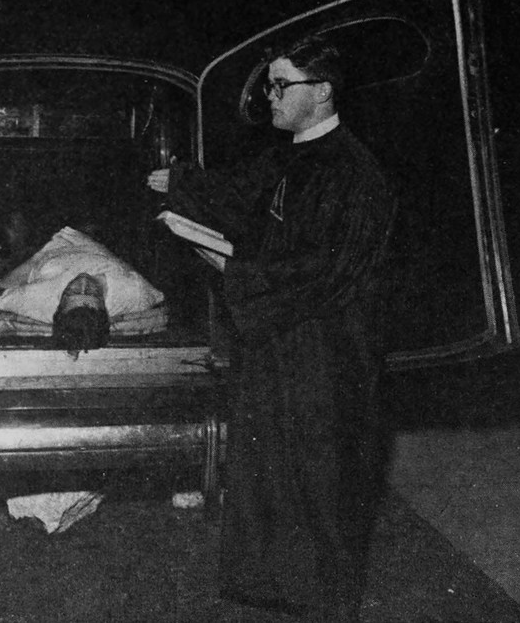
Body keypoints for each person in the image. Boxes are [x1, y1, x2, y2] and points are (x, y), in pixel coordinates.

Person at [148, 34, 396, 622]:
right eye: (270, 85)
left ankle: (325, 602)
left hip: (327, 349)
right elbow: (238, 197)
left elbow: (326, 269)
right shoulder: (289, 155)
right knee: (271, 463)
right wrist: (179, 185)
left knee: (320, 471)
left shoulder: (355, 174)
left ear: (323, 91)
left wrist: (235, 270)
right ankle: (276, 586)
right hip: (278, 337)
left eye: (282, 85)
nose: (271, 97)